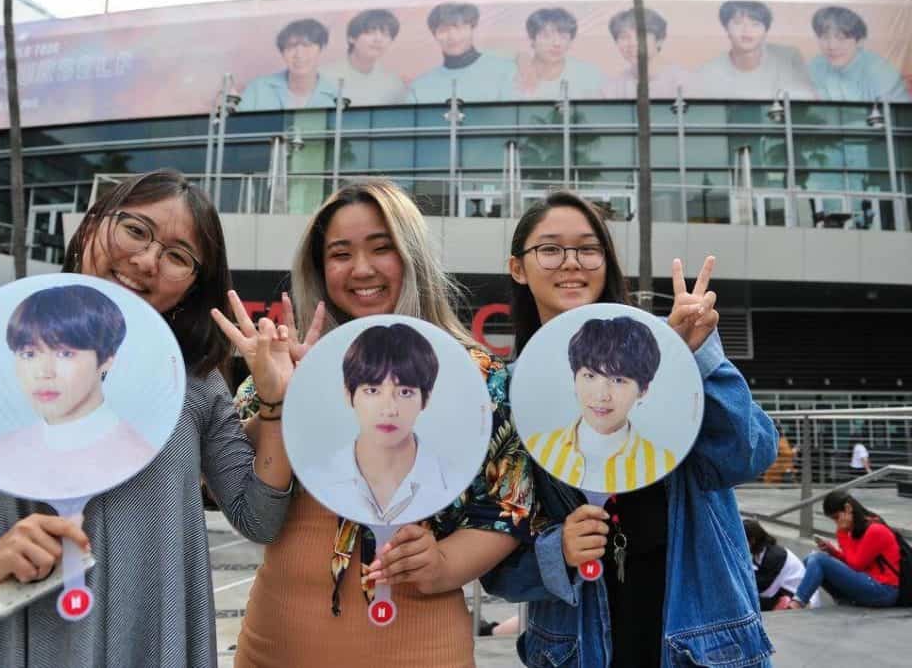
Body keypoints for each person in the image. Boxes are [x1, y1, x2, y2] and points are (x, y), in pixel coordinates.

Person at [0, 169, 293, 667]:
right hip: (9, 648)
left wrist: (276, 404)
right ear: (91, 226)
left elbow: (258, 518)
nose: (146, 261)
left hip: (150, 646)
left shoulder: (195, 382)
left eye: (177, 256)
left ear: (193, 286)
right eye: (135, 230)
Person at [214, 179, 533, 666]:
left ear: (412, 256)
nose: (361, 269)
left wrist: (443, 564)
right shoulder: (284, 365)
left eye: (382, 248)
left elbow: (508, 507)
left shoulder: (477, 376)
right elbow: (250, 509)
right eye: (340, 253)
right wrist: (280, 403)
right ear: (320, 268)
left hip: (422, 650)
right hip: (274, 645)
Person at [481, 190, 777, 667]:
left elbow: (748, 455)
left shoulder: (666, 348)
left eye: (588, 249)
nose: (571, 262)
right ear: (518, 267)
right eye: (550, 249)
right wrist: (557, 552)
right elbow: (495, 564)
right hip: (576, 648)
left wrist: (692, 359)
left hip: (703, 643)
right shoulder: (509, 395)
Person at [0, 285, 156, 499]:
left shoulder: (139, 458)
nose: (44, 372)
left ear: (107, 359)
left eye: (65, 354)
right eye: (29, 354)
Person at [308, 323, 450, 526]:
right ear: (349, 394)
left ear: (425, 399)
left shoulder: (452, 480)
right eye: (372, 390)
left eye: (405, 392)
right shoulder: (317, 478)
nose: (389, 409)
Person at [524, 316, 676, 493]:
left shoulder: (662, 462)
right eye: (589, 376)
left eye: (618, 380)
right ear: (574, 379)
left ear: (643, 389)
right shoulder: (538, 447)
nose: (601, 395)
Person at [787, 490, 900, 609]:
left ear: (848, 508)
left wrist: (842, 533)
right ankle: (843, 599)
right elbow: (854, 561)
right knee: (809, 559)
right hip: (870, 583)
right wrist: (833, 552)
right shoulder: (858, 529)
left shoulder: (875, 530)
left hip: (884, 590)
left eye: (837, 517)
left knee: (818, 560)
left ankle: (797, 604)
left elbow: (856, 565)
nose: (837, 523)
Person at [694, 0, 815, 100]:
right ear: (726, 28)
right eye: (738, 23)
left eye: (755, 24)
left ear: (766, 30)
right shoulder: (707, 73)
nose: (747, 30)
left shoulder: (789, 57)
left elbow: (806, 104)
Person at [407, 2, 515, 104]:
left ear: (472, 28)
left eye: (458, 27)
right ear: (435, 35)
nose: (452, 37)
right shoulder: (419, 87)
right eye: (443, 30)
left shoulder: (506, 70)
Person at [808, 6, 910, 103]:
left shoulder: (881, 72)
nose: (832, 46)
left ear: (860, 41)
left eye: (841, 38)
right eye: (825, 37)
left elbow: (900, 113)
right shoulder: (815, 65)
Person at [504, 7, 604, 100]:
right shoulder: (511, 72)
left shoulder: (588, 74)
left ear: (570, 42)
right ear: (532, 39)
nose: (556, 43)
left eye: (563, 37)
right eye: (547, 36)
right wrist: (522, 58)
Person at [239, 18, 337, 111]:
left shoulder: (337, 96)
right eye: (291, 47)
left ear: (321, 49)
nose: (299, 55)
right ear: (282, 53)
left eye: (307, 45)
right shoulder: (257, 88)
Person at [600, 7, 691, 99]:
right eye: (624, 37)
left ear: (659, 40)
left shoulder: (684, 82)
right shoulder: (611, 89)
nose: (632, 44)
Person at [321, 9, 406, 106]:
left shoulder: (394, 83)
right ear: (351, 38)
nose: (378, 39)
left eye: (386, 34)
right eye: (370, 32)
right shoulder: (324, 77)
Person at [744, 519, 819, 610]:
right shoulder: (760, 553)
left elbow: (763, 587)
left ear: (752, 540)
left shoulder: (774, 556)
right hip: (782, 591)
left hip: (799, 599)